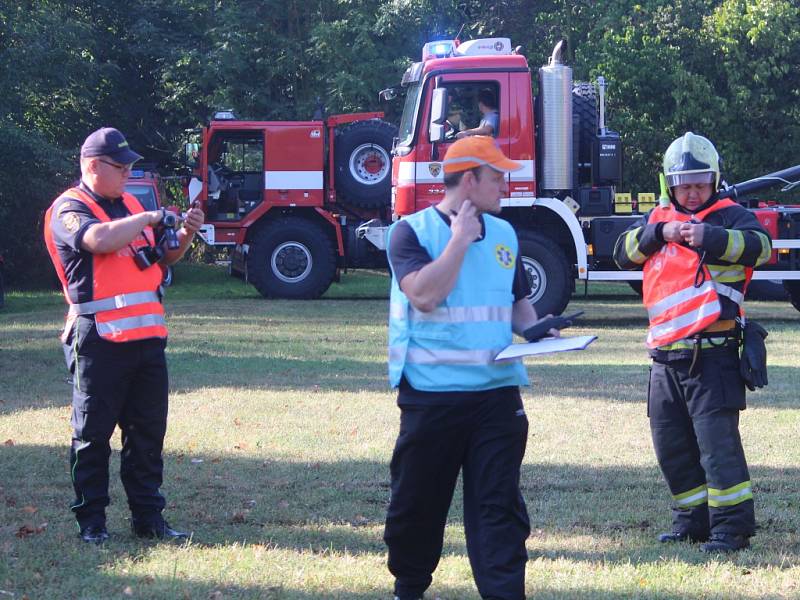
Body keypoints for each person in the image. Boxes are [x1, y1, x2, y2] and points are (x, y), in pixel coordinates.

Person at [383, 136, 556, 600]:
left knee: (499, 509)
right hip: (431, 396)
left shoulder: (506, 234)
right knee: (418, 504)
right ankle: (410, 588)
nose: (506, 183)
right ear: (469, 179)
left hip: (497, 398)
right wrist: (459, 241)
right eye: (497, 176)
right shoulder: (410, 232)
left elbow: (517, 304)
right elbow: (424, 294)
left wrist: (539, 329)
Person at [44, 127, 205, 544]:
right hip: (97, 339)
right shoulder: (69, 208)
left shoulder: (130, 203)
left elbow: (159, 256)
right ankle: (92, 523)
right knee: (92, 435)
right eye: (122, 166)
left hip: (148, 338)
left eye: (131, 165)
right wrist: (149, 217)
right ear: (94, 166)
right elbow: (98, 240)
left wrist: (184, 233)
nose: (129, 173)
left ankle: (149, 519)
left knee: (148, 435)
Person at [614, 132, 772, 553]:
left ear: (715, 180)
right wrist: (661, 232)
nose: (692, 190)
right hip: (665, 359)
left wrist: (712, 238)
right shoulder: (658, 220)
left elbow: (761, 248)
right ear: (670, 184)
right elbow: (622, 253)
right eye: (684, 183)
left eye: (700, 182)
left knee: (718, 450)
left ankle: (731, 528)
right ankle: (692, 521)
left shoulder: (731, 215)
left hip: (713, 356)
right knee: (673, 449)